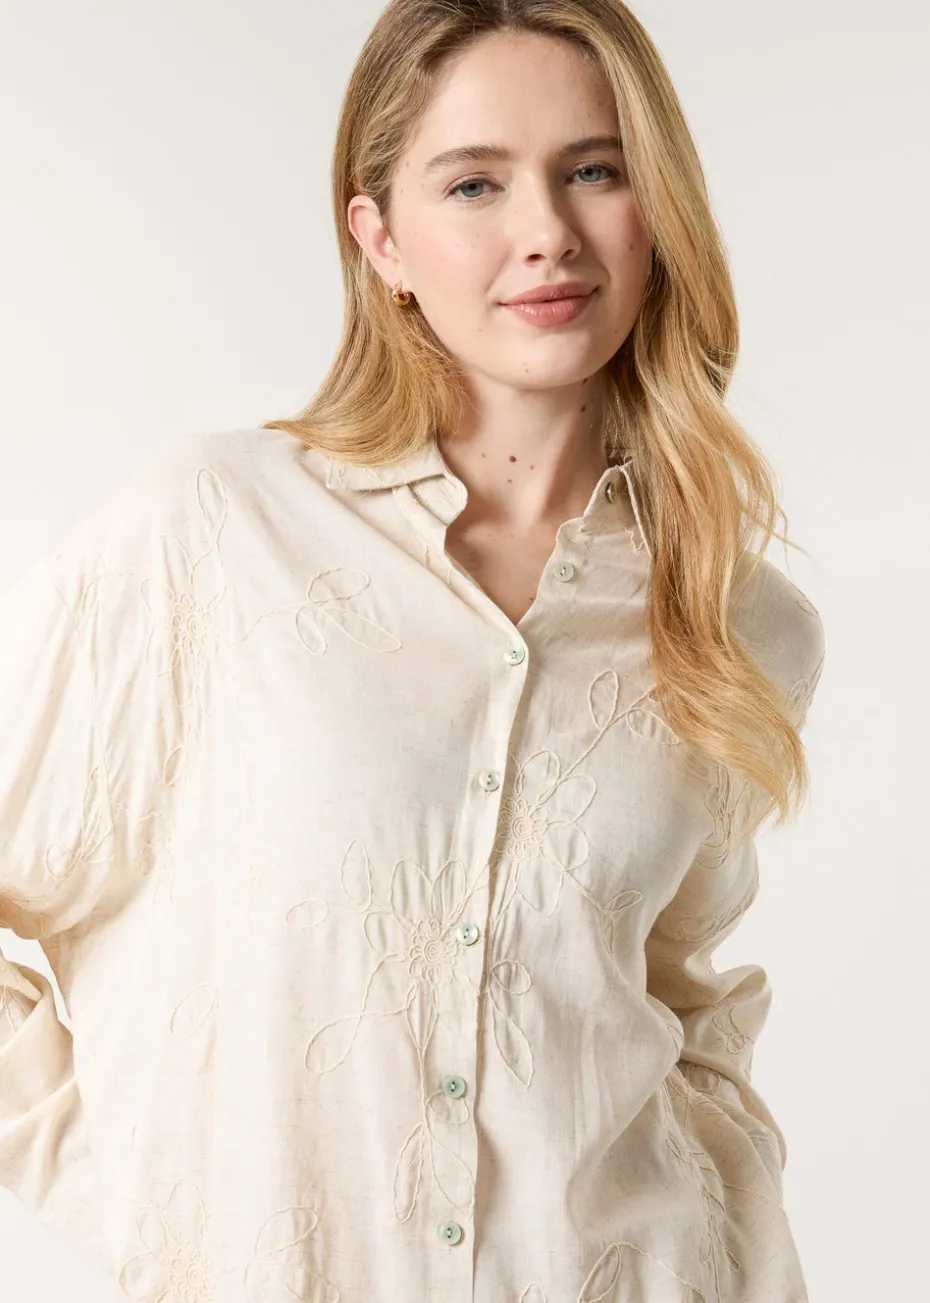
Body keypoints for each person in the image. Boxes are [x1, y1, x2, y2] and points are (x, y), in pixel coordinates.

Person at [0, 2, 825, 1300]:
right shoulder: (210, 533)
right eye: (474, 184)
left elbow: (680, 997)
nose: (546, 232)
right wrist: (147, 1203)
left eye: (594, 169)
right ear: (380, 239)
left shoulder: (739, 619)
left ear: (658, 209)